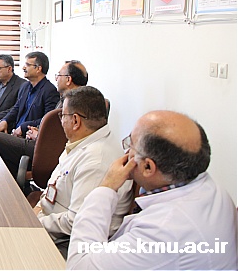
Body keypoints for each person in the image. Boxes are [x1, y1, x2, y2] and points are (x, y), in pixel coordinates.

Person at [67, 111, 237, 270]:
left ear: (148, 167)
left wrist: (107, 186)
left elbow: (79, 265)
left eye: (131, 144)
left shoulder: (163, 231)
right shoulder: (210, 187)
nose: (126, 151)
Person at [35, 86, 132, 257]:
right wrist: (37, 208)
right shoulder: (83, 140)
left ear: (75, 121)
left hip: (67, 243)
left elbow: (76, 222)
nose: (61, 121)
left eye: (62, 115)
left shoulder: (96, 160)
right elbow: (55, 181)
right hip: (52, 222)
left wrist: (36, 223)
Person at [0, 60, 88, 177]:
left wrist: (38, 136)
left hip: (47, 148)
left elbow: (63, 139)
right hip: (42, 139)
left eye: (59, 75)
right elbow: (53, 126)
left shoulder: (75, 104)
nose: (56, 79)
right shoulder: (67, 99)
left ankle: (14, 181)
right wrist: (37, 130)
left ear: (68, 80)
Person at [0, 51, 60, 175]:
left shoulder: (49, 91)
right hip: (15, 131)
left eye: (27, 65)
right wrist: (5, 120)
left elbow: (47, 120)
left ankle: (11, 179)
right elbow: (16, 108)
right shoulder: (25, 86)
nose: (23, 68)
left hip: (29, 137)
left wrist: (23, 127)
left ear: (38, 68)